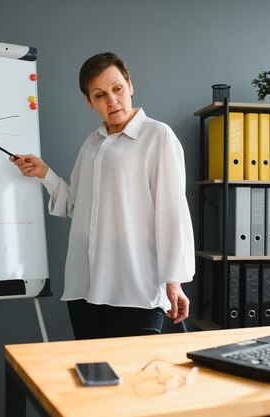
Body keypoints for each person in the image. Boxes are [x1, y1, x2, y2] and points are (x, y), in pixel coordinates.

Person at [11, 52, 194, 340]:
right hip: (84, 287)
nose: (112, 101)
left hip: (134, 288)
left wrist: (175, 280)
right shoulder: (92, 144)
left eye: (117, 89)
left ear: (130, 85)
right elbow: (76, 205)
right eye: (100, 95)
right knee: (93, 378)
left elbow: (172, 214)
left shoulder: (158, 137)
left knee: (134, 380)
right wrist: (44, 173)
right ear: (89, 101)